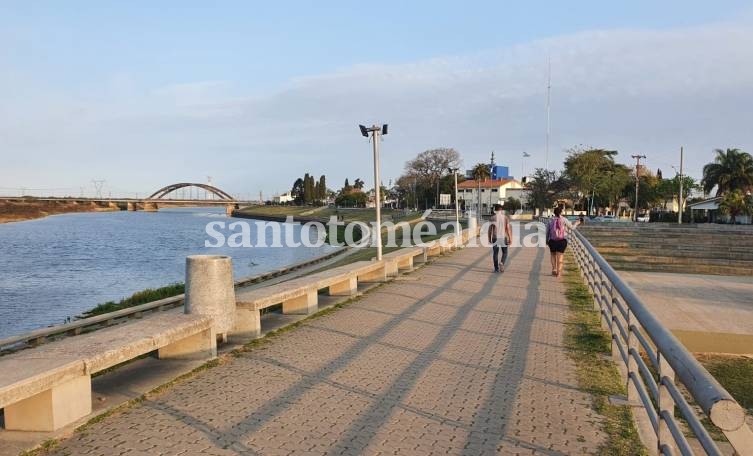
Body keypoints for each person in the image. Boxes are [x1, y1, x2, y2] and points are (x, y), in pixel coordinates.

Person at [546, 206, 580, 277]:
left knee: (553, 255)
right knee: (560, 256)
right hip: (562, 241)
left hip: (552, 241)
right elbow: (572, 228)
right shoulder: (564, 219)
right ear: (561, 212)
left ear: (554, 213)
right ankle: (559, 273)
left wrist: (547, 241)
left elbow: (547, 232)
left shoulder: (550, 220)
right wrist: (577, 223)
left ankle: (554, 269)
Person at [488, 204, 512, 273]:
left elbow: (490, 229)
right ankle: (502, 262)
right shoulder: (505, 218)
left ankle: (496, 269)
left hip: (495, 237)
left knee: (495, 253)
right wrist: (510, 238)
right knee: (505, 252)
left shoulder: (492, 218)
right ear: (501, 209)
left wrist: (489, 238)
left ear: (495, 210)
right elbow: (507, 229)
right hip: (503, 237)